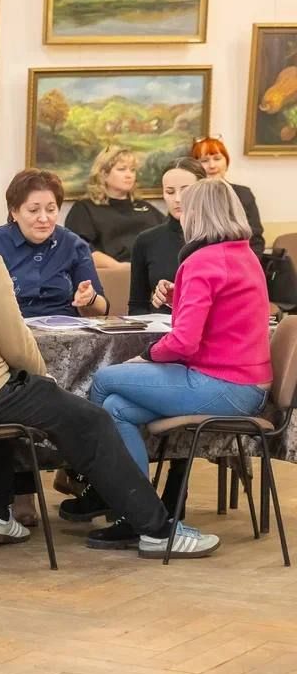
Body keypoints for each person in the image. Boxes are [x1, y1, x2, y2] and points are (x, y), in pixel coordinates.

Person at [0, 163, 219, 558]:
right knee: (89, 420)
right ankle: (158, 531)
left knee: (5, 393)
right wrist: (45, 384)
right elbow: (18, 349)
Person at [84, 181, 271, 547]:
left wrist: (146, 356)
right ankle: (136, 514)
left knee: (105, 379)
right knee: (116, 408)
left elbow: (184, 342)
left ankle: (102, 490)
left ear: (197, 214)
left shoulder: (201, 261)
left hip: (224, 384)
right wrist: (181, 299)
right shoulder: (243, 254)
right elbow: (223, 318)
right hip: (246, 385)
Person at [0, 169, 109, 318]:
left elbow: (103, 310)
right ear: (14, 212)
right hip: (13, 328)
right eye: (33, 210)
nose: (43, 219)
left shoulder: (73, 245)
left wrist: (90, 298)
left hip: (66, 328)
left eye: (51, 210)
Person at [64, 146, 163, 267]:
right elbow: (78, 247)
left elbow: (170, 236)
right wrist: (116, 267)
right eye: (122, 169)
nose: (129, 175)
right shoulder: (85, 208)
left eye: (132, 170)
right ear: (104, 174)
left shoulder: (145, 207)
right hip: (113, 272)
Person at [129, 158, 205, 315]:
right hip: (159, 327)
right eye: (170, 192)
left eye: (185, 190)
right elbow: (137, 306)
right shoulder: (146, 241)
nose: (177, 199)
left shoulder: (219, 239)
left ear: (202, 192)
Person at [191, 136, 265, 256]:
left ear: (226, 162)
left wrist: (245, 264)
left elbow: (256, 240)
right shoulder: (189, 198)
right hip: (201, 262)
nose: (212, 165)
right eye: (204, 161)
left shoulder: (243, 194)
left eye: (217, 158)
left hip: (241, 262)